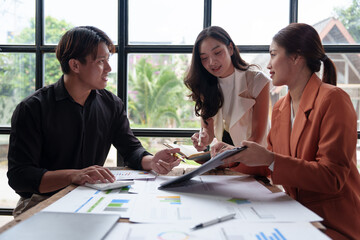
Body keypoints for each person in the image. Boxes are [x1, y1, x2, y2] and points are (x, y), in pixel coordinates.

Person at [7, 26, 181, 216]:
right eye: (101, 61)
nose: (109, 68)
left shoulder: (111, 104)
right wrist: (73, 175)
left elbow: (131, 150)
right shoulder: (32, 108)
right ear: (75, 65)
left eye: (108, 60)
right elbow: (20, 177)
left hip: (89, 198)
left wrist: (152, 161)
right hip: (41, 202)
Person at [217, 23, 360, 240]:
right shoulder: (281, 107)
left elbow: (332, 177)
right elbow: (269, 163)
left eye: (273, 55)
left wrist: (270, 158)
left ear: (296, 57)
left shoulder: (333, 99)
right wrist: (230, 157)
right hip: (298, 216)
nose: (269, 65)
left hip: (334, 224)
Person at [184, 26, 270, 176]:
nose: (212, 62)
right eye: (204, 58)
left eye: (217, 53)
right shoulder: (206, 86)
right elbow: (209, 134)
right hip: (226, 166)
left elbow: (257, 137)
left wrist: (232, 154)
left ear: (230, 49)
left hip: (256, 166)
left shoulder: (257, 80)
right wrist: (203, 139)